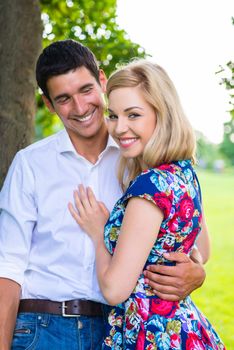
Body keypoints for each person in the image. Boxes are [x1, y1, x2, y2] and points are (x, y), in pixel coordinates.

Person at [0, 40, 206, 350]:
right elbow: (7, 268)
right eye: (64, 98)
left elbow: (194, 242)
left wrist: (196, 273)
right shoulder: (30, 164)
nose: (80, 108)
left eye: (86, 90)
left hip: (120, 327)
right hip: (43, 329)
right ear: (48, 103)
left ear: (102, 80)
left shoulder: (141, 158)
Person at [69, 59, 225, 349]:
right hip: (182, 327)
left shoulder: (149, 188)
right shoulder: (184, 172)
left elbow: (115, 290)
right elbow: (201, 250)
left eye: (133, 115)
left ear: (161, 115)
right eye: (113, 115)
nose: (120, 128)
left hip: (148, 333)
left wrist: (97, 232)